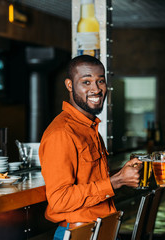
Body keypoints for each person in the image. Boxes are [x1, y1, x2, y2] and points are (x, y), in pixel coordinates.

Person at [39, 55, 141, 240]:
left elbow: (91, 181)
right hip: (78, 234)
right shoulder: (61, 133)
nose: (96, 89)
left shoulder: (89, 127)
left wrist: (124, 173)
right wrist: (116, 181)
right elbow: (59, 199)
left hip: (102, 230)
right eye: (86, 82)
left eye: (100, 81)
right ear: (69, 85)